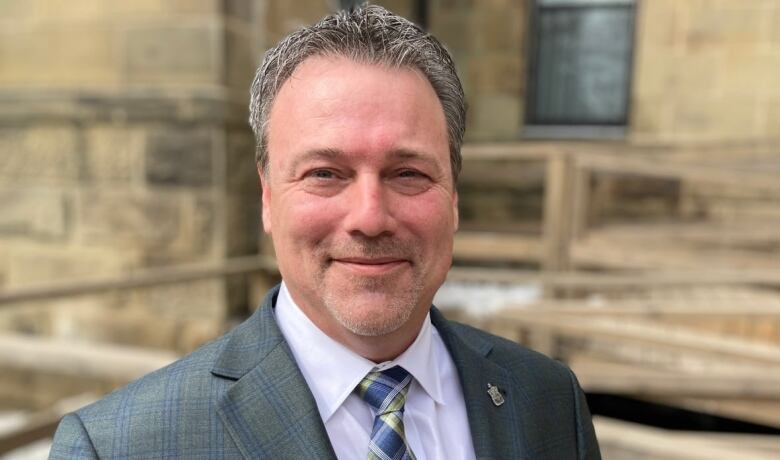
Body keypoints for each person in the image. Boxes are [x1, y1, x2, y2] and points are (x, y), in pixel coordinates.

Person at [50, 5, 600, 459]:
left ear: (453, 199)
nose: (369, 217)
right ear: (268, 198)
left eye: (408, 173)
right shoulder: (121, 447)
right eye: (325, 174)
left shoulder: (548, 401)